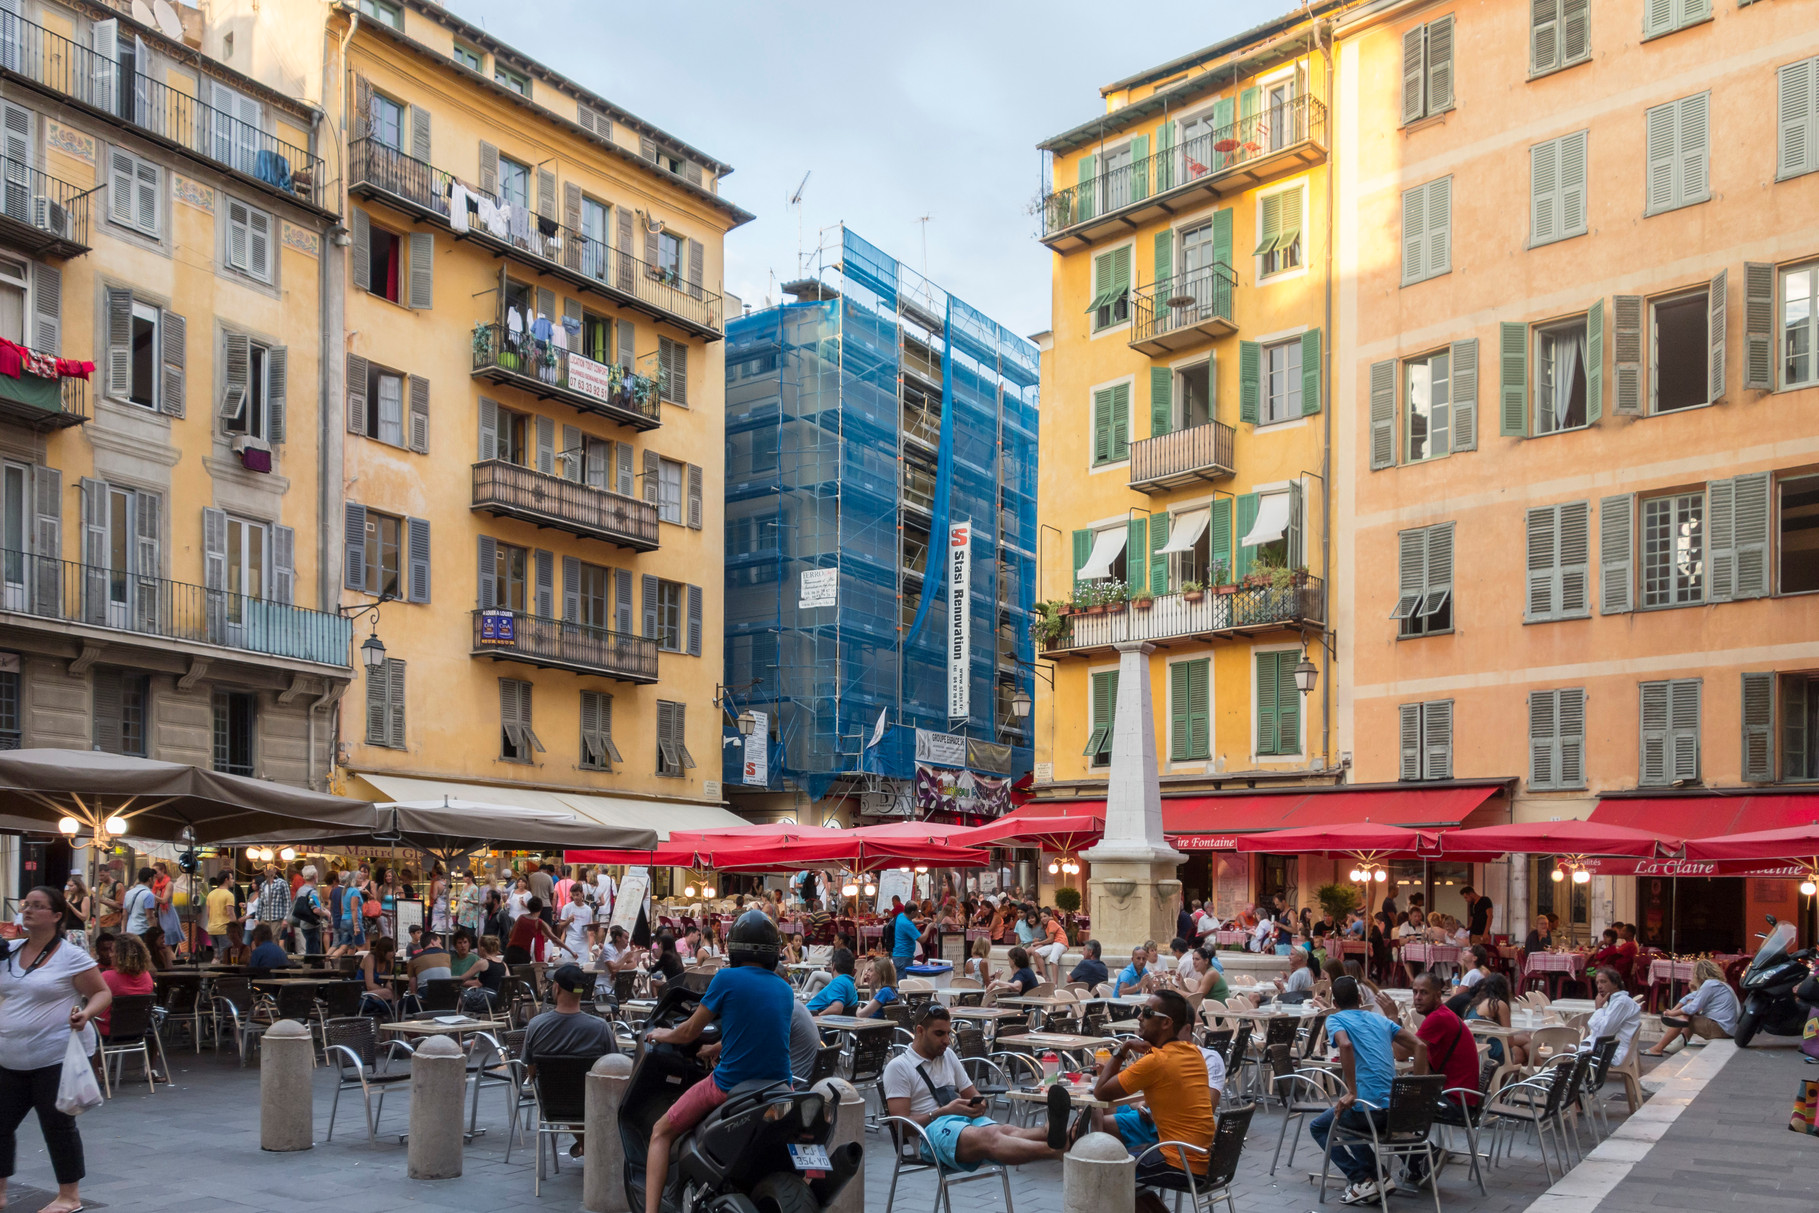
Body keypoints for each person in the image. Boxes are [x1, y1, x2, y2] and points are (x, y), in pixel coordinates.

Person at [642, 911, 795, 1213]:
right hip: (780, 1088)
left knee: (660, 1131)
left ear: (734, 948)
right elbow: (761, 1030)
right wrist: (717, 1047)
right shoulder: (784, 989)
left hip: (730, 1085)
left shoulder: (726, 978)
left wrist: (663, 1033)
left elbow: (688, 1031)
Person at [0, 886, 110, 1213]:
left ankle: (69, 1197)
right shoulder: (8, 952)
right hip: (9, 1057)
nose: (28, 910)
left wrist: (85, 1014)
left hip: (54, 1056)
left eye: (37, 906)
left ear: (57, 915)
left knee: (57, 1125)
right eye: (26, 905)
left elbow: (102, 993)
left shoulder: (70, 955)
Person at [885, 1004, 1073, 1174]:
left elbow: (973, 1094)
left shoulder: (948, 1055)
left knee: (1004, 1130)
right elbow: (902, 1127)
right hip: (929, 1135)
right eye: (939, 1034)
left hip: (961, 1122)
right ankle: (1055, 1150)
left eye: (948, 1034)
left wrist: (978, 1105)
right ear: (920, 1031)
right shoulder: (899, 1067)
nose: (947, 1041)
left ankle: (1052, 1134)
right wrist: (943, 1112)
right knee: (990, 1136)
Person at [1309, 976, 1429, 1207]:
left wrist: (1352, 1091)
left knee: (1324, 1125)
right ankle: (1378, 1178)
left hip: (1371, 1109)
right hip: (1396, 1109)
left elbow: (1344, 1044)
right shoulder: (1379, 1020)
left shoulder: (1335, 1020)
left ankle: (1363, 1179)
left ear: (1334, 1002)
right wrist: (1419, 1091)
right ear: (1360, 998)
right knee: (1347, 1119)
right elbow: (1420, 1046)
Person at [1089, 991, 1216, 1209]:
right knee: (1121, 1159)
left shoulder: (1156, 1061)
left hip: (1180, 1161)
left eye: (1147, 1013)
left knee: (1104, 1168)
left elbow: (1100, 1092)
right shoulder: (1192, 1052)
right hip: (1208, 1160)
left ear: (1166, 1023)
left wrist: (1124, 1048)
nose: (1139, 1016)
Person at [522, 964, 617, 1158]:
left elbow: (531, 1070)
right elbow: (613, 1067)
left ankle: (585, 1145)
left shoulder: (536, 1026)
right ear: (582, 992)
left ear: (556, 988)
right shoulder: (600, 1028)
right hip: (593, 1102)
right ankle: (589, 1146)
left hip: (552, 1104)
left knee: (565, 1088)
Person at [95, 933, 158, 1083]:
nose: (110, 954)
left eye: (113, 950)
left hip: (109, 1030)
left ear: (120, 954)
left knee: (86, 1024)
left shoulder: (108, 977)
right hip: (138, 1031)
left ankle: (97, 1072)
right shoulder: (146, 977)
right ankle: (150, 1069)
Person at [1647, 958, 1740, 1055]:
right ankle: (1676, 1044)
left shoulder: (1709, 985)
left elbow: (1692, 1008)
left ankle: (1658, 1048)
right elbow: (1689, 997)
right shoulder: (1719, 984)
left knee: (1684, 1018)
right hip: (1727, 1029)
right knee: (1687, 1015)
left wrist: (1672, 1013)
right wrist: (1673, 1011)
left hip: (1721, 1029)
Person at [1582, 966, 1642, 1066]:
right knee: (1567, 1046)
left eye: (1603, 982)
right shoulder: (1615, 1001)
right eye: (1597, 983)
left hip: (1613, 1052)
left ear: (1615, 984)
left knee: (1564, 1049)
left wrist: (1599, 1008)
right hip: (1607, 1047)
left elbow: (1604, 1031)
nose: (1599, 986)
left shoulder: (1622, 1002)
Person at [506, 896, 562, 965]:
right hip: (523, 954)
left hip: (510, 951)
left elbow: (510, 935)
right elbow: (554, 938)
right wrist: (571, 951)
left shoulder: (521, 917)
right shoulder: (538, 922)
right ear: (541, 909)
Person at [807, 948, 859, 1015]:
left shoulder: (839, 982)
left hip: (810, 1017)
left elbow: (836, 1008)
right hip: (812, 1015)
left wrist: (817, 1018)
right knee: (818, 984)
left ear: (833, 966)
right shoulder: (850, 983)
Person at [203, 871, 239, 960]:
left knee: (216, 956)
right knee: (225, 956)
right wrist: (236, 926)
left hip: (212, 929)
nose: (233, 880)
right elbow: (230, 912)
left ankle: (213, 972)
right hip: (224, 930)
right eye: (231, 878)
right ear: (226, 880)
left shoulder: (211, 894)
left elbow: (208, 913)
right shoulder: (228, 895)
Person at [358, 936, 399, 1016]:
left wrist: (393, 992)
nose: (393, 953)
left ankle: (396, 1018)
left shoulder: (390, 961)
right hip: (362, 992)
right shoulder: (370, 959)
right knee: (389, 993)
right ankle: (395, 1017)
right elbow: (369, 985)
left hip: (377, 993)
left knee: (396, 995)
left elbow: (386, 981)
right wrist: (387, 992)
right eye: (391, 951)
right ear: (383, 951)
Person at [558, 884, 597, 963]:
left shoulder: (588, 909)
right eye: (573, 895)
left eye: (577, 895)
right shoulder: (567, 907)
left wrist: (590, 947)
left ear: (582, 894)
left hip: (583, 943)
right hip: (570, 942)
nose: (575, 897)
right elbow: (560, 926)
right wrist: (568, 921)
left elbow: (590, 929)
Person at [121, 867, 158, 939]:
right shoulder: (148, 894)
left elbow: (124, 915)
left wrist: (123, 930)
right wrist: (154, 933)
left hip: (130, 931)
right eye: (154, 879)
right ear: (150, 879)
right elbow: (149, 916)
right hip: (143, 931)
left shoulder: (128, 893)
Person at [1036, 910, 1069, 984]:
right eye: (1041, 917)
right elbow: (1051, 940)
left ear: (1049, 916)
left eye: (1045, 916)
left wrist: (1039, 943)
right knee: (1037, 953)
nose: (1043, 919)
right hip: (1054, 944)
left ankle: (1055, 984)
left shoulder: (1051, 922)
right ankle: (1045, 976)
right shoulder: (1047, 925)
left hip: (1061, 943)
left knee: (1053, 959)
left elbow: (1050, 939)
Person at [890, 902, 922, 971]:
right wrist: (928, 927)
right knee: (903, 979)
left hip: (898, 954)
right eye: (918, 911)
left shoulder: (901, 916)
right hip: (904, 956)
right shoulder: (907, 924)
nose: (918, 913)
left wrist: (921, 921)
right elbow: (922, 939)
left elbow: (911, 921)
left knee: (899, 978)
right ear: (913, 912)